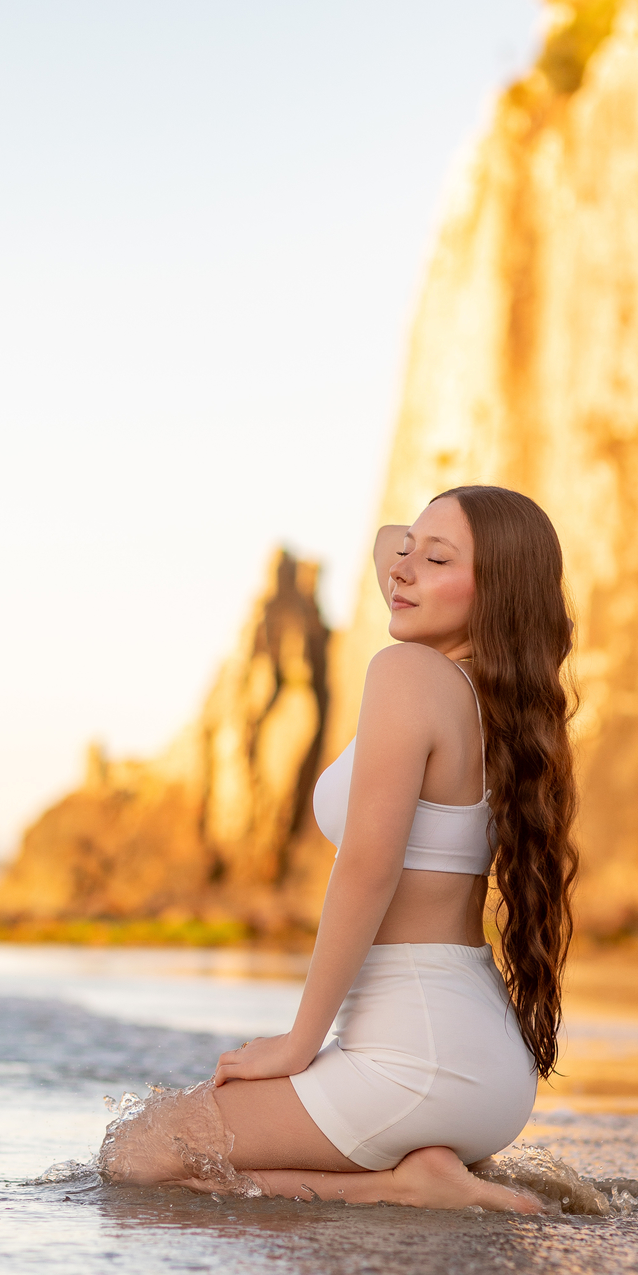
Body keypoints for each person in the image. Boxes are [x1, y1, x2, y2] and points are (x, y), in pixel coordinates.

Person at [99, 485, 579, 1213]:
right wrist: (432, 545)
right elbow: (403, 546)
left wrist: (300, 1042)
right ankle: (421, 1166)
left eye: (437, 557)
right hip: (483, 1071)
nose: (403, 567)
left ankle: (404, 1185)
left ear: (497, 590)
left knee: (135, 1151)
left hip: (414, 1062)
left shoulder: (408, 673)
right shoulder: (501, 704)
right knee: (157, 1144)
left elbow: (366, 868)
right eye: (407, 549)